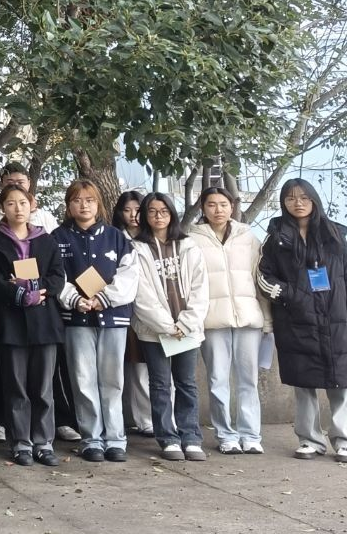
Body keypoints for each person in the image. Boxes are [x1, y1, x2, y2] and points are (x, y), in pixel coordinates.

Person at [257, 179, 347, 461]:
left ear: (314, 199)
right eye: (291, 198)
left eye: (304, 197)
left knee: (341, 381)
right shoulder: (276, 238)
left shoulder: (337, 234)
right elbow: (263, 276)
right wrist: (292, 296)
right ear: (283, 202)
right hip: (296, 320)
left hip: (337, 319)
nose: (298, 203)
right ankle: (309, 439)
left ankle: (343, 439)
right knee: (303, 382)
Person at [0, 185, 66, 467]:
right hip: (10, 321)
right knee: (16, 386)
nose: (18, 208)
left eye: (23, 203)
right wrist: (19, 293)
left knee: (43, 388)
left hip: (44, 321)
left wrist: (36, 289)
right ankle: (21, 443)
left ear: (32, 205)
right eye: (11, 203)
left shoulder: (47, 240)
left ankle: (44, 442)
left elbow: (58, 276)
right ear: (2, 207)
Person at [53, 180, 139, 463]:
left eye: (89, 200)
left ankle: (115, 439)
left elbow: (130, 276)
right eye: (77, 200)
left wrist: (105, 297)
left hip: (113, 318)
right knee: (83, 379)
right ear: (69, 205)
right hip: (76, 318)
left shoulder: (117, 237)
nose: (84, 205)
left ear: (98, 203)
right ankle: (91, 439)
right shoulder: (58, 237)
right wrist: (74, 299)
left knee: (113, 379)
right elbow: (54, 276)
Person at [189, 187, 268, 455]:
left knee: (248, 380)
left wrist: (267, 319)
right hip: (212, 320)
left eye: (223, 204)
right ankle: (225, 435)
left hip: (248, 318)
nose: (218, 210)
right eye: (211, 204)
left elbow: (260, 278)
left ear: (232, 206)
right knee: (217, 379)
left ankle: (251, 435)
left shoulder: (248, 237)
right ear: (203, 208)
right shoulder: (192, 239)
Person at [131, 193, 208, 462]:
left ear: (172, 213)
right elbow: (140, 294)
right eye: (152, 211)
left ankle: (191, 437)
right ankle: (168, 438)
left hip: (187, 330)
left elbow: (201, 288)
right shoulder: (136, 249)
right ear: (144, 216)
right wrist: (166, 325)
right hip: (154, 332)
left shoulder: (188, 245)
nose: (158, 216)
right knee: (160, 385)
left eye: (164, 211)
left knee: (187, 384)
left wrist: (186, 323)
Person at [112, 191, 152, 437]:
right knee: (137, 367)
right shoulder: (116, 238)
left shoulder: (154, 237)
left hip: (157, 310)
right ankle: (144, 419)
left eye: (137, 210)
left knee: (161, 370)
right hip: (126, 310)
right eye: (127, 210)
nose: (133, 215)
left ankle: (165, 418)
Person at [0, 163, 60, 236]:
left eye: (20, 182)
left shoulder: (46, 218)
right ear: (1, 184)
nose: (15, 187)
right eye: (10, 183)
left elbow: (57, 247)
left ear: (29, 183)